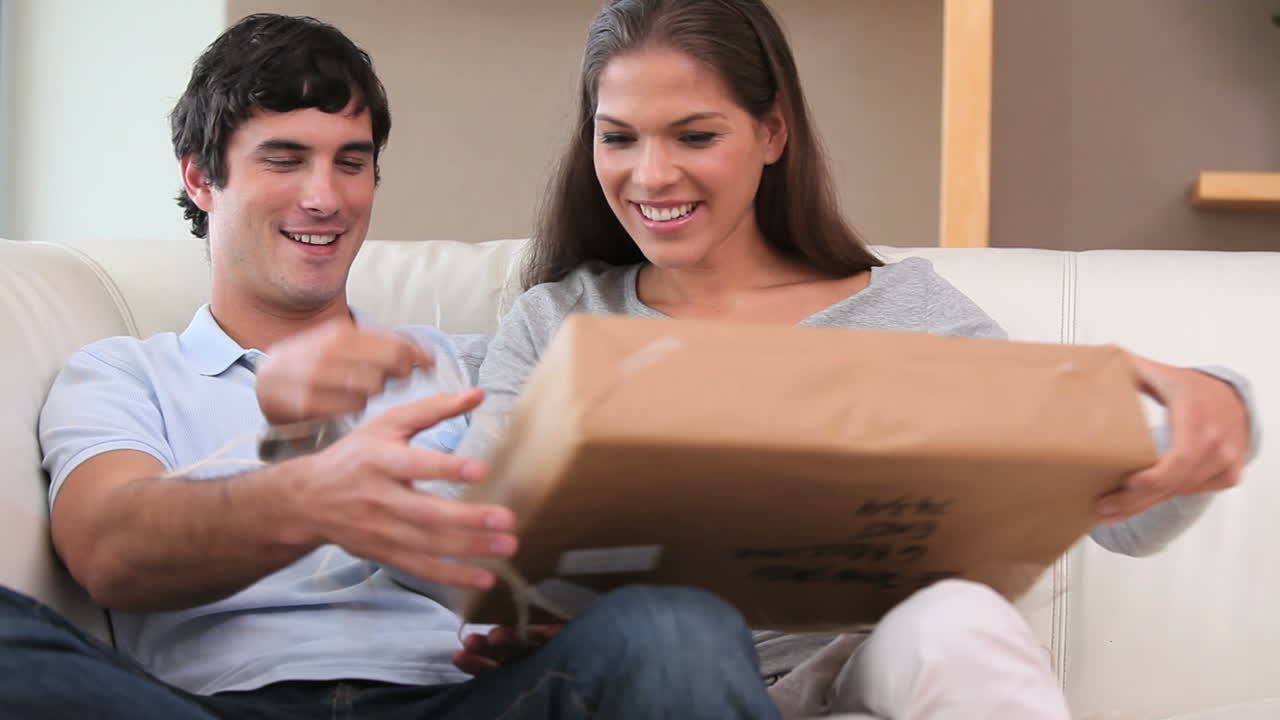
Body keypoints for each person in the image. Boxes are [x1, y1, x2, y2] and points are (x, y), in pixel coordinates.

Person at [437, 1, 1260, 718]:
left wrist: (1218, 410)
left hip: (848, 675)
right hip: (635, 671)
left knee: (959, 624)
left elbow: (1115, 516)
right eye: (618, 138)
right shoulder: (557, 320)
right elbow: (475, 543)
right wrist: (505, 616)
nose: (650, 174)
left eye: (695, 135)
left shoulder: (904, 311)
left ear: (771, 133)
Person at [2, 13, 781, 720]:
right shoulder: (122, 373)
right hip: (214, 708)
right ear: (201, 178)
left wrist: (543, 618)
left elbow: (562, 559)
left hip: (461, 702)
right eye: (285, 158)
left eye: (352, 161)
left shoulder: (475, 367)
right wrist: (308, 496)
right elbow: (109, 551)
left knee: (682, 626)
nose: (325, 197)